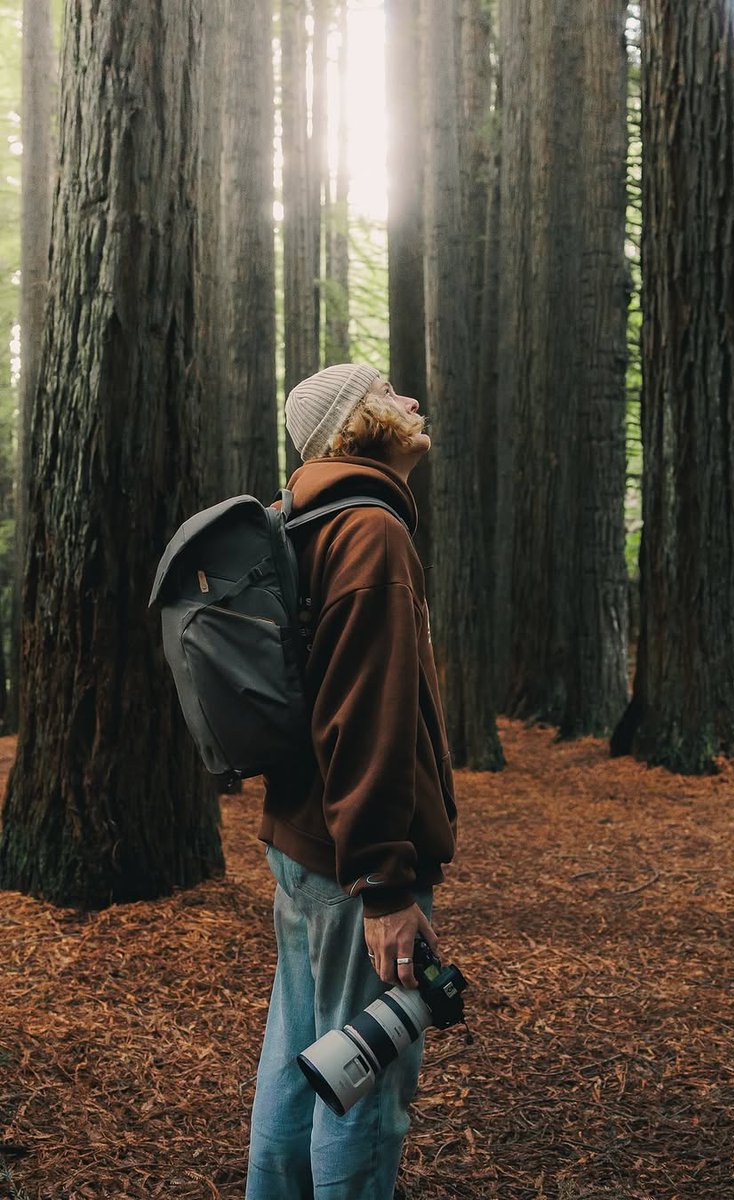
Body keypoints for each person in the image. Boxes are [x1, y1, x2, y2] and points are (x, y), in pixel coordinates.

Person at [246, 363, 458, 1200]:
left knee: (302, 1060)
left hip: (303, 844)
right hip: (351, 864)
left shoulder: (301, 519)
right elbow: (365, 715)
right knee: (362, 1083)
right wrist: (384, 882)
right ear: (356, 423)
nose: (410, 401)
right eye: (390, 393)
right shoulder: (369, 531)